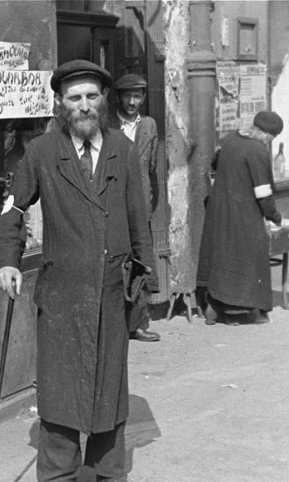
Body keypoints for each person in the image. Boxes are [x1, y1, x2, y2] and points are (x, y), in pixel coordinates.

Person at [0, 60, 156, 482]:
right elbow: (13, 209)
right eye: (74, 98)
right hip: (62, 290)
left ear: (103, 101)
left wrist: (147, 284)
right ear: (60, 104)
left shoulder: (122, 148)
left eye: (91, 96)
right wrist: (6, 262)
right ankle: (58, 480)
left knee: (110, 381)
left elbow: (138, 216)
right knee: (60, 385)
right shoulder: (42, 152)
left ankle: (110, 473)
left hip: (111, 287)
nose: (84, 105)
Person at [197, 111, 284, 325]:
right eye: (272, 138)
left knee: (221, 255)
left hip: (219, 211)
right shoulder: (258, 150)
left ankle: (214, 307)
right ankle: (240, 310)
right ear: (266, 134)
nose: (270, 142)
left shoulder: (231, 138)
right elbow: (263, 192)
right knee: (249, 256)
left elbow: (215, 163)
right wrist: (274, 216)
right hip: (243, 214)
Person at [108, 73, 161, 342]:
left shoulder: (149, 125)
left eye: (137, 97)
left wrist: (149, 204)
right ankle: (115, 323)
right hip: (113, 204)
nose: (132, 102)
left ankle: (138, 323)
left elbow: (153, 170)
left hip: (140, 205)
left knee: (141, 263)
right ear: (117, 97)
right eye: (127, 96)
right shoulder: (107, 124)